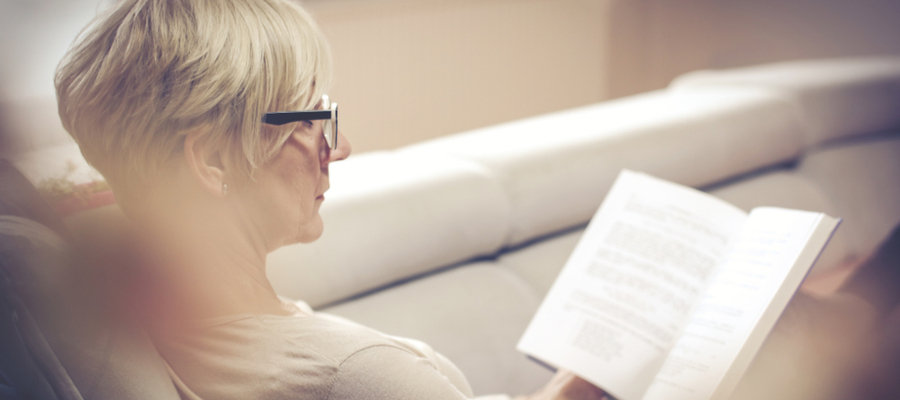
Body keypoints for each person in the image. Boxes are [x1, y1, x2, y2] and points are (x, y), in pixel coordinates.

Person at [54, 1, 606, 399]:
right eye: (314, 119)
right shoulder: (349, 374)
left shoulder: (141, 316)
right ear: (215, 160)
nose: (339, 147)